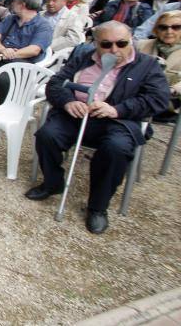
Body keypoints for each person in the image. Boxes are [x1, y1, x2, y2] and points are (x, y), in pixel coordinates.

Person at [28, 21, 168, 234]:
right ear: (96, 43)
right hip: (77, 114)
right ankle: (52, 183)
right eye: (106, 44)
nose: (114, 49)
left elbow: (158, 99)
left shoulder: (147, 65)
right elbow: (56, 83)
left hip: (118, 121)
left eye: (122, 43)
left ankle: (97, 207)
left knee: (116, 149)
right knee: (47, 134)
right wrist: (68, 101)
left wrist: (117, 109)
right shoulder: (84, 58)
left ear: (131, 40)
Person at [137, 10, 181, 122]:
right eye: (163, 27)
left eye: (176, 27)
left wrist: (172, 90)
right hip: (137, 96)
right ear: (156, 29)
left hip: (170, 102)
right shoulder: (141, 45)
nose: (169, 31)